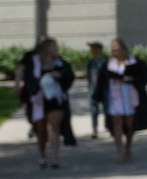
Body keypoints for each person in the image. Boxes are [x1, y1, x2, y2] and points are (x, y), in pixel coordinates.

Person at [15, 37, 77, 170]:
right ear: (46, 48)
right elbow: (26, 76)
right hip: (38, 100)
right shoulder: (33, 62)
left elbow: (70, 76)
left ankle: (54, 158)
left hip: (56, 100)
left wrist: (59, 76)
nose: (56, 49)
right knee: (41, 129)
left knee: (53, 128)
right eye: (53, 46)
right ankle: (42, 155)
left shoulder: (60, 63)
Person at [99, 38, 147, 163]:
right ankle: (120, 151)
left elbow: (144, 75)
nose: (114, 52)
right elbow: (101, 81)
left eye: (116, 49)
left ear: (123, 49)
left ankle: (128, 146)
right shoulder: (108, 64)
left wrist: (131, 79)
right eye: (112, 49)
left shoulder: (134, 62)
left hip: (130, 95)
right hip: (114, 96)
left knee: (130, 125)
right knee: (116, 123)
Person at [86, 41, 109, 138]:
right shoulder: (91, 62)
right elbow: (88, 76)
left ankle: (107, 127)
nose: (92, 51)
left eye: (93, 49)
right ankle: (94, 130)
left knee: (106, 109)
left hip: (104, 88)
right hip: (93, 89)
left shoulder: (106, 60)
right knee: (94, 110)